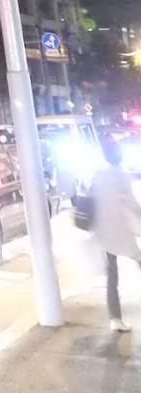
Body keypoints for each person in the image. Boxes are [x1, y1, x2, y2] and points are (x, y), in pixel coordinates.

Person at [90, 136, 141, 331]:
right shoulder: (121, 175)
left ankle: (115, 318)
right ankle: (116, 319)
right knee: (138, 259)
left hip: (104, 230)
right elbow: (131, 203)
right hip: (121, 229)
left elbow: (92, 199)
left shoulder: (98, 175)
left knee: (111, 273)